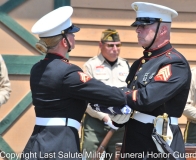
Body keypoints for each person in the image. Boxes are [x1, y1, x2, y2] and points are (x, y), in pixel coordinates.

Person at [21, 6, 127, 160]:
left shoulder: (37, 68)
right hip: (61, 145)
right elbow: (107, 94)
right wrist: (130, 94)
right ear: (64, 41)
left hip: (37, 143)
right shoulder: (68, 72)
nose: (74, 37)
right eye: (71, 33)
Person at [92, 2, 192, 160]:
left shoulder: (174, 63)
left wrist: (109, 93)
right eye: (137, 26)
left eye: (144, 26)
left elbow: (147, 98)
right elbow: (131, 101)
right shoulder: (140, 63)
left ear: (163, 29)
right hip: (135, 139)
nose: (138, 29)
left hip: (159, 144)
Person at [80, 29, 129, 160]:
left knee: (119, 156)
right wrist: (105, 118)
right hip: (96, 123)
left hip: (120, 124)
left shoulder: (125, 65)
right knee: (90, 156)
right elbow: (85, 98)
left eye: (118, 45)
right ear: (100, 45)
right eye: (110, 45)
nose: (115, 49)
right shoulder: (90, 65)